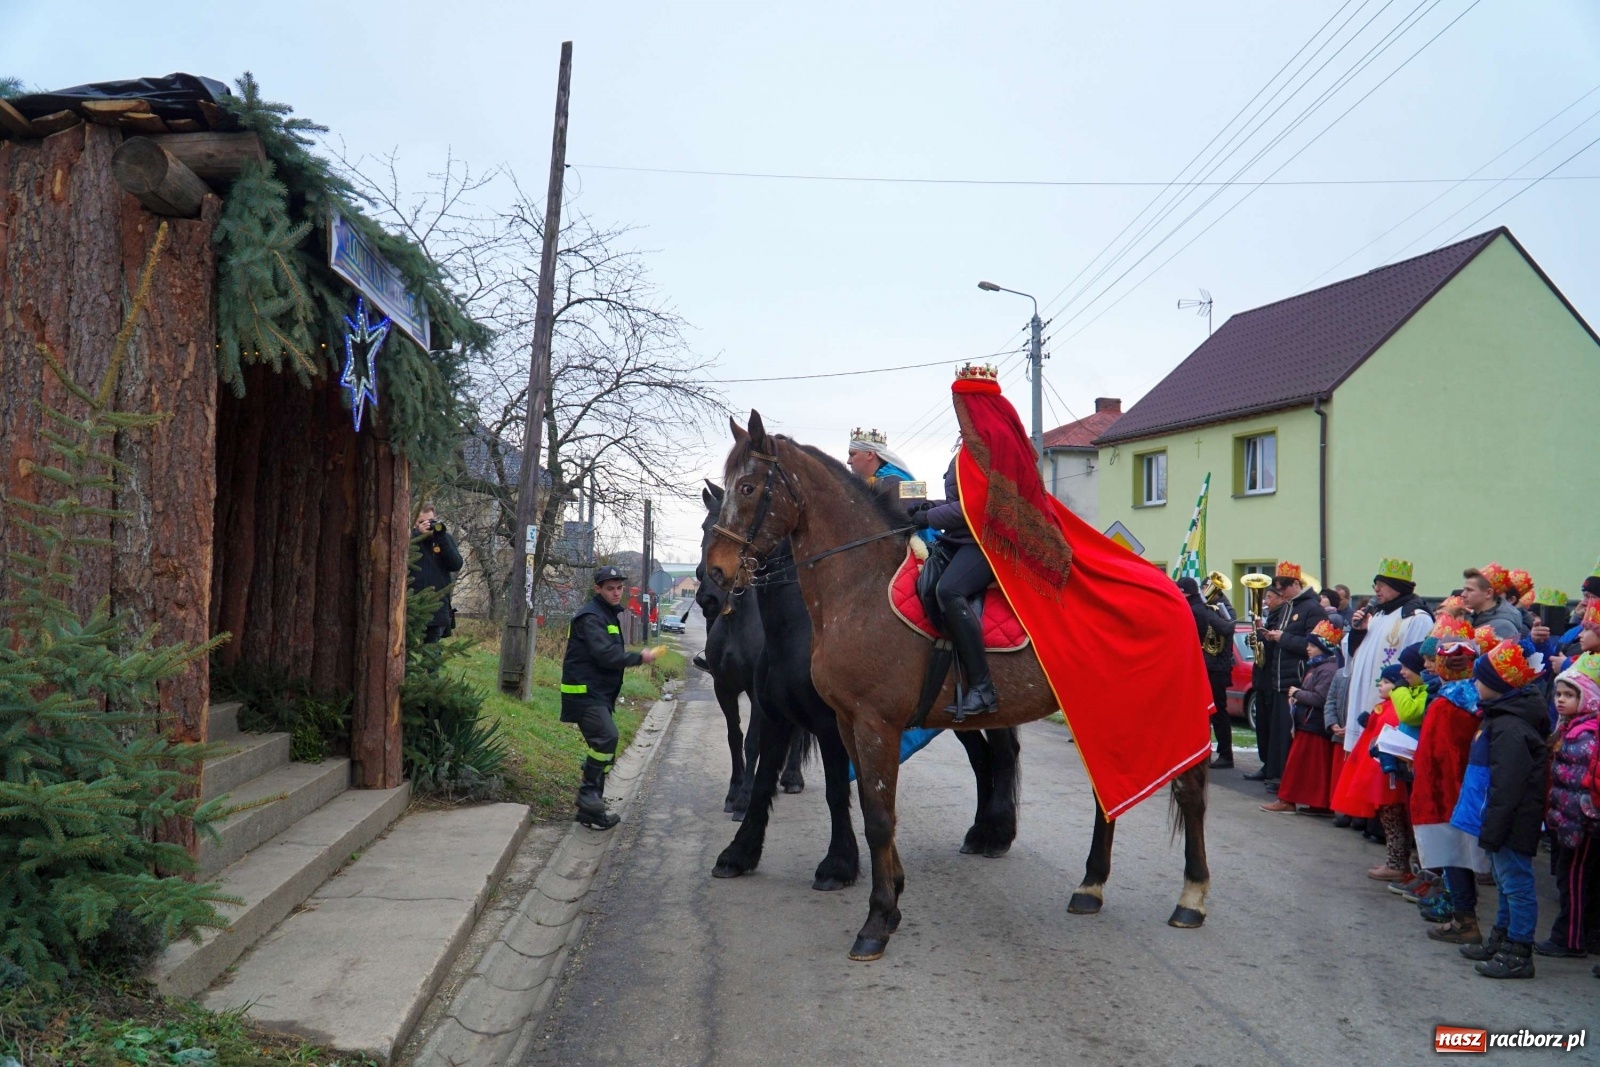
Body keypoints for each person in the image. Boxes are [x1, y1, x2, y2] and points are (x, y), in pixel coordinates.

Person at [1454, 641, 1550, 979]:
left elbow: (1508, 785)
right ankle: (1501, 940)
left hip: (1510, 820)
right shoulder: (1501, 718)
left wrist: (1493, 827)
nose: (1475, 684)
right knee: (1505, 880)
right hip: (1498, 817)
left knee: (1517, 885)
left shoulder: (1510, 728)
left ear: (1498, 684)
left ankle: (1519, 952)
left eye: (1480, 679)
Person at [560, 566, 665, 829]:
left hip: (597, 693)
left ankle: (591, 807)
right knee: (607, 738)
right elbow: (606, 656)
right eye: (610, 588)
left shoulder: (606, 614)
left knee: (604, 744)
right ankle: (588, 796)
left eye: (619, 588)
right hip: (584, 694)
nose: (616, 593)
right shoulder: (591, 617)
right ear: (598, 589)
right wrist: (640, 657)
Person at [1411, 619, 1492, 944]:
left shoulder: (1447, 705)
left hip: (1445, 793)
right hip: (1465, 789)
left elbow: (1441, 755)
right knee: (1464, 857)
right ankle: (1462, 915)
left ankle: (1464, 920)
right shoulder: (1476, 698)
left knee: (1455, 857)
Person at [1535, 654, 1600, 959]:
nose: (1561, 700)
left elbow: (1581, 785)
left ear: (1586, 698)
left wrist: (1575, 822)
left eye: (1569, 695)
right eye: (1558, 694)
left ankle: (1570, 940)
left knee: (1573, 881)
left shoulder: (1586, 734)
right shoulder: (1569, 727)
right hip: (1566, 819)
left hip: (1579, 824)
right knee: (1568, 879)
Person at [1341, 559, 1433, 764]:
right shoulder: (1377, 615)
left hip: (1391, 701)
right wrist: (1358, 631)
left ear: (1398, 587)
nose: (1376, 589)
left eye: (1382, 585)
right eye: (1375, 584)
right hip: (1363, 693)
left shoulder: (1416, 618)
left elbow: (1418, 664)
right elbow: (1353, 653)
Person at [1243, 562, 1327, 788]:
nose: (1280, 594)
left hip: (1295, 678)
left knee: (1287, 733)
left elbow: (1316, 643)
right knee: (1276, 732)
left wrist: (1282, 638)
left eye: (1282, 589)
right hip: (1278, 677)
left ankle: (1285, 779)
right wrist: (1265, 638)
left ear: (1296, 585)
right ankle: (1275, 773)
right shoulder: (1290, 606)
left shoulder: (1312, 608)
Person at [1263, 619, 1343, 813]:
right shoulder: (1320, 666)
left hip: (1313, 723)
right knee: (1312, 767)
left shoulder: (1327, 669)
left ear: (1322, 648)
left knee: (1298, 765)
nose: (1307, 649)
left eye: (1312, 646)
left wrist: (1297, 694)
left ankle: (1287, 799)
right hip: (1310, 722)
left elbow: (1320, 697)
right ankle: (1317, 803)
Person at [1179, 576, 1237, 769]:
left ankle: (1225, 754)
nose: (1205, 590)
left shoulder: (1216, 607)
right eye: (1204, 586)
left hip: (1216, 666)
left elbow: (1227, 628)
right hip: (1210, 665)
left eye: (1208, 587)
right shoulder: (1207, 608)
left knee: (1218, 711)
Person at [409, 504, 463, 643]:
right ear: (414, 522)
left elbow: (455, 564)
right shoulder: (408, 540)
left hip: (436, 607)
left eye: (431, 521)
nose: (427, 525)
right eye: (422, 522)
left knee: (432, 653)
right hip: (411, 606)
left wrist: (442, 538)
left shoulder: (444, 539)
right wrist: (417, 535)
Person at [1462, 564, 1528, 641]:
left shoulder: (1503, 628)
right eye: (1464, 589)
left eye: (1469, 590)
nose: (1463, 594)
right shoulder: (1470, 620)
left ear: (1488, 593)